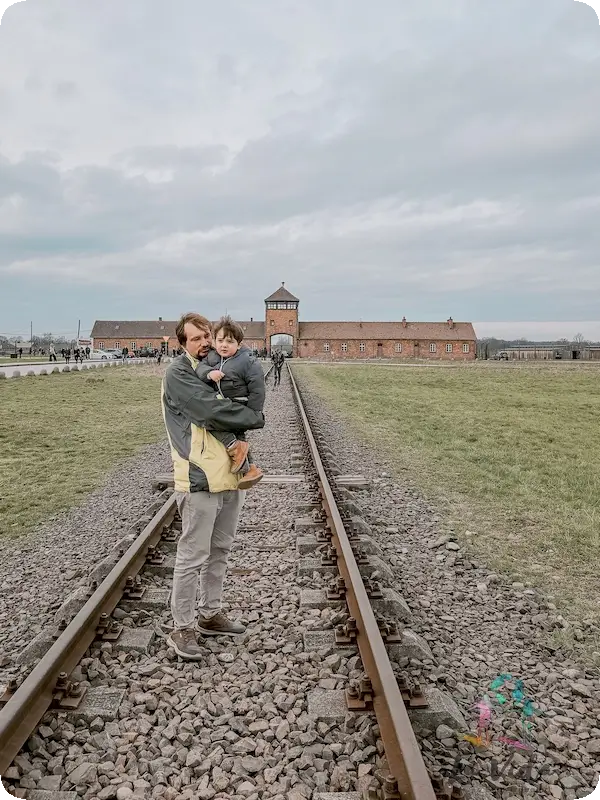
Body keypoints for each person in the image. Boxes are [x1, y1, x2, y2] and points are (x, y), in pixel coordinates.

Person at [161, 312, 266, 660]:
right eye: (196, 339)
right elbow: (208, 411)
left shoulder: (216, 367)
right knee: (193, 555)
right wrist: (254, 417)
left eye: (207, 336)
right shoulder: (179, 373)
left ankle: (210, 614)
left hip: (229, 475)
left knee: (220, 549)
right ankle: (182, 627)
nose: (205, 342)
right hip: (199, 477)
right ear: (183, 343)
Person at [198, 316, 265, 488]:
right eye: (220, 341)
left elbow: (257, 387)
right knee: (238, 436)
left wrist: (254, 412)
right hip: (223, 404)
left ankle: (234, 447)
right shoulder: (212, 357)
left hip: (238, 405)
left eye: (229, 341)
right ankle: (250, 468)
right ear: (214, 341)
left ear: (239, 344)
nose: (224, 345)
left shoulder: (247, 361)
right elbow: (200, 368)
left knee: (211, 423)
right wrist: (209, 373)